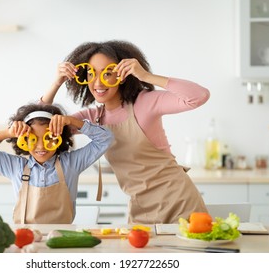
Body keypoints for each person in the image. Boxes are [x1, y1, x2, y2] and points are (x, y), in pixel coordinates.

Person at [40, 40, 211, 224]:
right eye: (91, 73)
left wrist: (146, 76)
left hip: (179, 201)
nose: (98, 82)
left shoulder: (144, 103)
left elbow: (198, 96)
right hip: (140, 209)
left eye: (108, 73)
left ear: (123, 74)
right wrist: (56, 83)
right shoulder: (92, 117)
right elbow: (41, 128)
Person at [0, 103, 113, 224]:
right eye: (33, 139)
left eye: (48, 138)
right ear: (23, 140)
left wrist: (72, 121)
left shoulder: (71, 164)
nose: (40, 147)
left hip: (62, 238)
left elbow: (105, 139)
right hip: (25, 239)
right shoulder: (15, 167)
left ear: (60, 137)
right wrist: (8, 133)